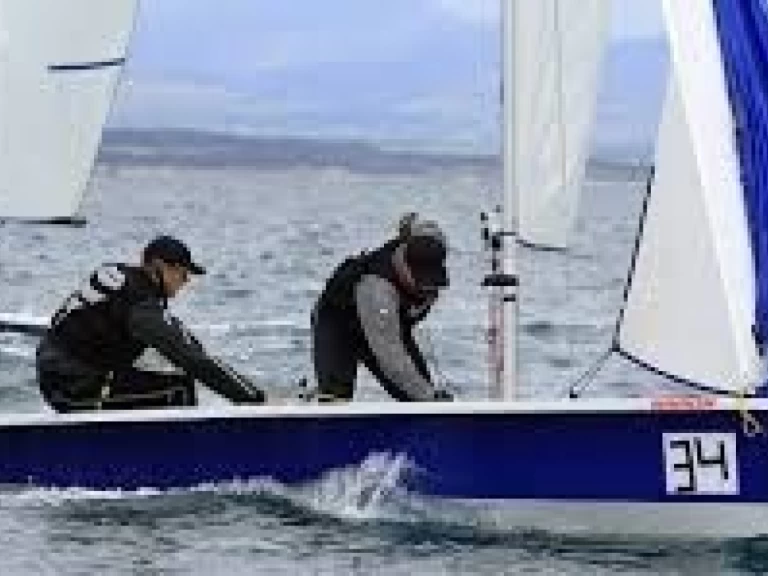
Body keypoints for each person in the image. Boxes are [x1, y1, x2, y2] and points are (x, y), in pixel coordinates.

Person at [36, 235, 266, 412]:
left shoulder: (125, 283)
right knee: (178, 386)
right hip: (73, 386)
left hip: (60, 376)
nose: (185, 282)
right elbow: (190, 358)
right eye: (182, 273)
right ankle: (178, 463)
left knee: (168, 373)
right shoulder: (140, 304)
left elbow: (184, 342)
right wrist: (255, 401)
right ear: (158, 266)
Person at [311, 216, 453, 402]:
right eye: (422, 282)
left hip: (392, 325)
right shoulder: (377, 289)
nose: (427, 290)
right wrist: (430, 398)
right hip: (339, 325)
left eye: (433, 283)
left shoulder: (426, 250)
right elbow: (390, 356)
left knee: (418, 393)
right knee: (335, 398)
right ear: (405, 269)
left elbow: (427, 229)